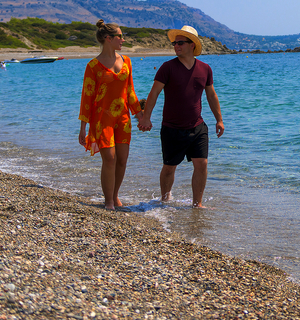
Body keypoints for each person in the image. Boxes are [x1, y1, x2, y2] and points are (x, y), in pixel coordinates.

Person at [138, 25, 224, 208]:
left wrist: (219, 120)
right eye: (174, 43)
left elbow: (211, 95)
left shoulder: (205, 69)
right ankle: (164, 200)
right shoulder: (167, 67)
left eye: (180, 43)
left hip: (197, 126)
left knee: (202, 163)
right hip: (172, 128)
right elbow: (154, 94)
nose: (176, 46)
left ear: (192, 45)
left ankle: (197, 204)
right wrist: (146, 118)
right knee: (169, 167)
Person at [78, 19, 142, 210]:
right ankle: (109, 201)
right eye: (120, 36)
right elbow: (87, 97)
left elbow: (130, 92)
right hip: (102, 119)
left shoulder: (127, 61)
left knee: (122, 160)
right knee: (110, 158)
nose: (123, 40)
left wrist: (141, 116)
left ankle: (115, 195)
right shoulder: (93, 66)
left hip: (123, 119)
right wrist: (83, 128)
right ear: (108, 38)